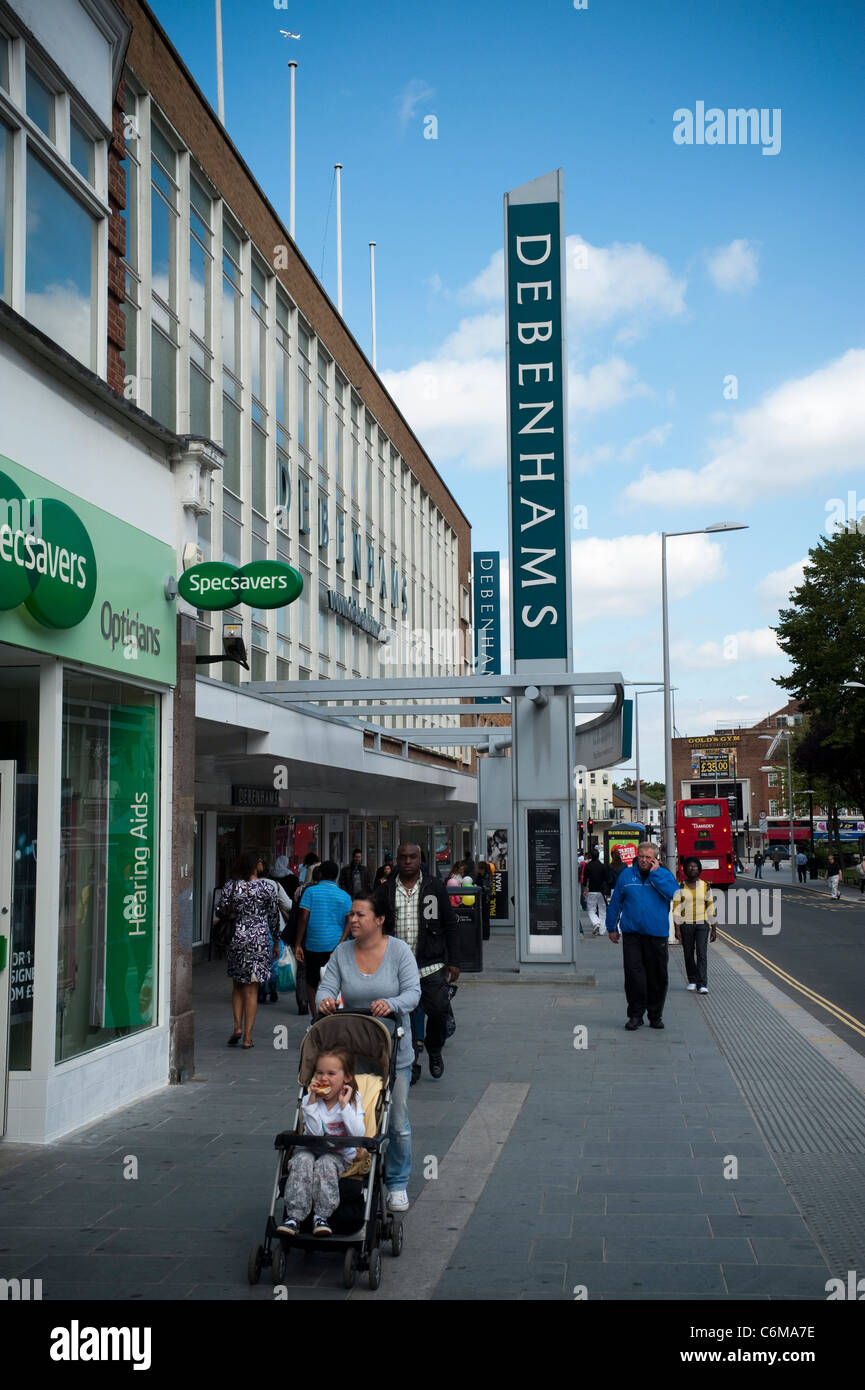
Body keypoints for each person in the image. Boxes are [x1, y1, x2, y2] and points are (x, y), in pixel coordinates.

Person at [316, 893, 421, 1213]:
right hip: (352, 1051)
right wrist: (325, 1001)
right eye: (351, 915)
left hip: (393, 1049)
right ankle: (347, 1172)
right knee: (351, 1115)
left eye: (360, 915)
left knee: (396, 1120)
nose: (353, 920)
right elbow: (326, 987)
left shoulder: (400, 952)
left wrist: (392, 1004)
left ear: (379, 920)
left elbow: (413, 993)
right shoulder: (342, 952)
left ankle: (397, 1182)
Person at [381, 843, 460, 1082]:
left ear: (420, 859)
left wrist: (454, 961)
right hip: (395, 967)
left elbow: (450, 924)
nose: (407, 861)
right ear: (397, 859)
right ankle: (411, 1061)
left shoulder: (434, 886)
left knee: (438, 1011)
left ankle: (434, 1048)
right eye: (403, 857)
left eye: (412, 857)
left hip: (430, 964)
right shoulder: (385, 891)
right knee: (403, 1015)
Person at [276, 1048, 366, 1237]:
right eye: (320, 1073)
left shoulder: (352, 1101)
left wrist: (343, 1106)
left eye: (331, 1074)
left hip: (339, 1155)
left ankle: (321, 1216)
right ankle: (294, 1216)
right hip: (311, 1148)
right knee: (302, 1161)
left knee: (325, 1163)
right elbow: (315, 1134)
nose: (324, 1078)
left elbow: (358, 1134)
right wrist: (311, 1106)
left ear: (347, 1077)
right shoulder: (311, 1099)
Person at [606, 841, 679, 1031]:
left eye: (648, 857)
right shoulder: (626, 875)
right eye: (641, 856)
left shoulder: (664, 875)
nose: (644, 860)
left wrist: (655, 876)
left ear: (656, 859)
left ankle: (655, 1015)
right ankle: (635, 1015)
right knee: (633, 976)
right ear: (636, 857)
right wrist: (611, 927)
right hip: (632, 936)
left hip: (657, 936)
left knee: (657, 977)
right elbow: (615, 902)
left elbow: (674, 894)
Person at [219, 851, 281, 1048]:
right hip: (259, 940)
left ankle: (237, 1026)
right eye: (260, 861)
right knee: (252, 989)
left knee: (237, 985)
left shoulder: (231, 885)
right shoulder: (267, 887)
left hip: (238, 937)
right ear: (254, 865)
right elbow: (273, 916)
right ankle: (247, 1037)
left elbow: (220, 910)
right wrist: (276, 941)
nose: (262, 863)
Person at [295, 860, 352, 1014]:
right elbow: (349, 922)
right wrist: (341, 943)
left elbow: (303, 918)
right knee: (337, 982)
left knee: (312, 981)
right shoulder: (345, 896)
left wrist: (298, 944)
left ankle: (315, 1017)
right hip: (336, 946)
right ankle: (335, 1013)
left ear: (320, 874)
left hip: (314, 944)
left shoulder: (310, 892)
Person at [672, 857, 717, 994]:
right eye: (690, 867)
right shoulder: (680, 886)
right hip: (686, 924)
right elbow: (676, 909)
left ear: (699, 869)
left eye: (695, 867)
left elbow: (710, 907)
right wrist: (677, 929)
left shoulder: (705, 886)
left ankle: (702, 983)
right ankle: (692, 980)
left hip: (702, 924)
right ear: (685, 869)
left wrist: (714, 929)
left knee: (702, 953)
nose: (692, 869)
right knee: (688, 953)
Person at [581, 847, 610, 937]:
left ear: (591, 856)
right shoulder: (602, 866)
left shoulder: (588, 866)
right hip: (601, 891)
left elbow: (585, 878)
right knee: (602, 910)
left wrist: (585, 889)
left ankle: (596, 922)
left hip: (592, 890)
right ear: (598, 856)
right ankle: (602, 930)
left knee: (591, 910)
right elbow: (607, 878)